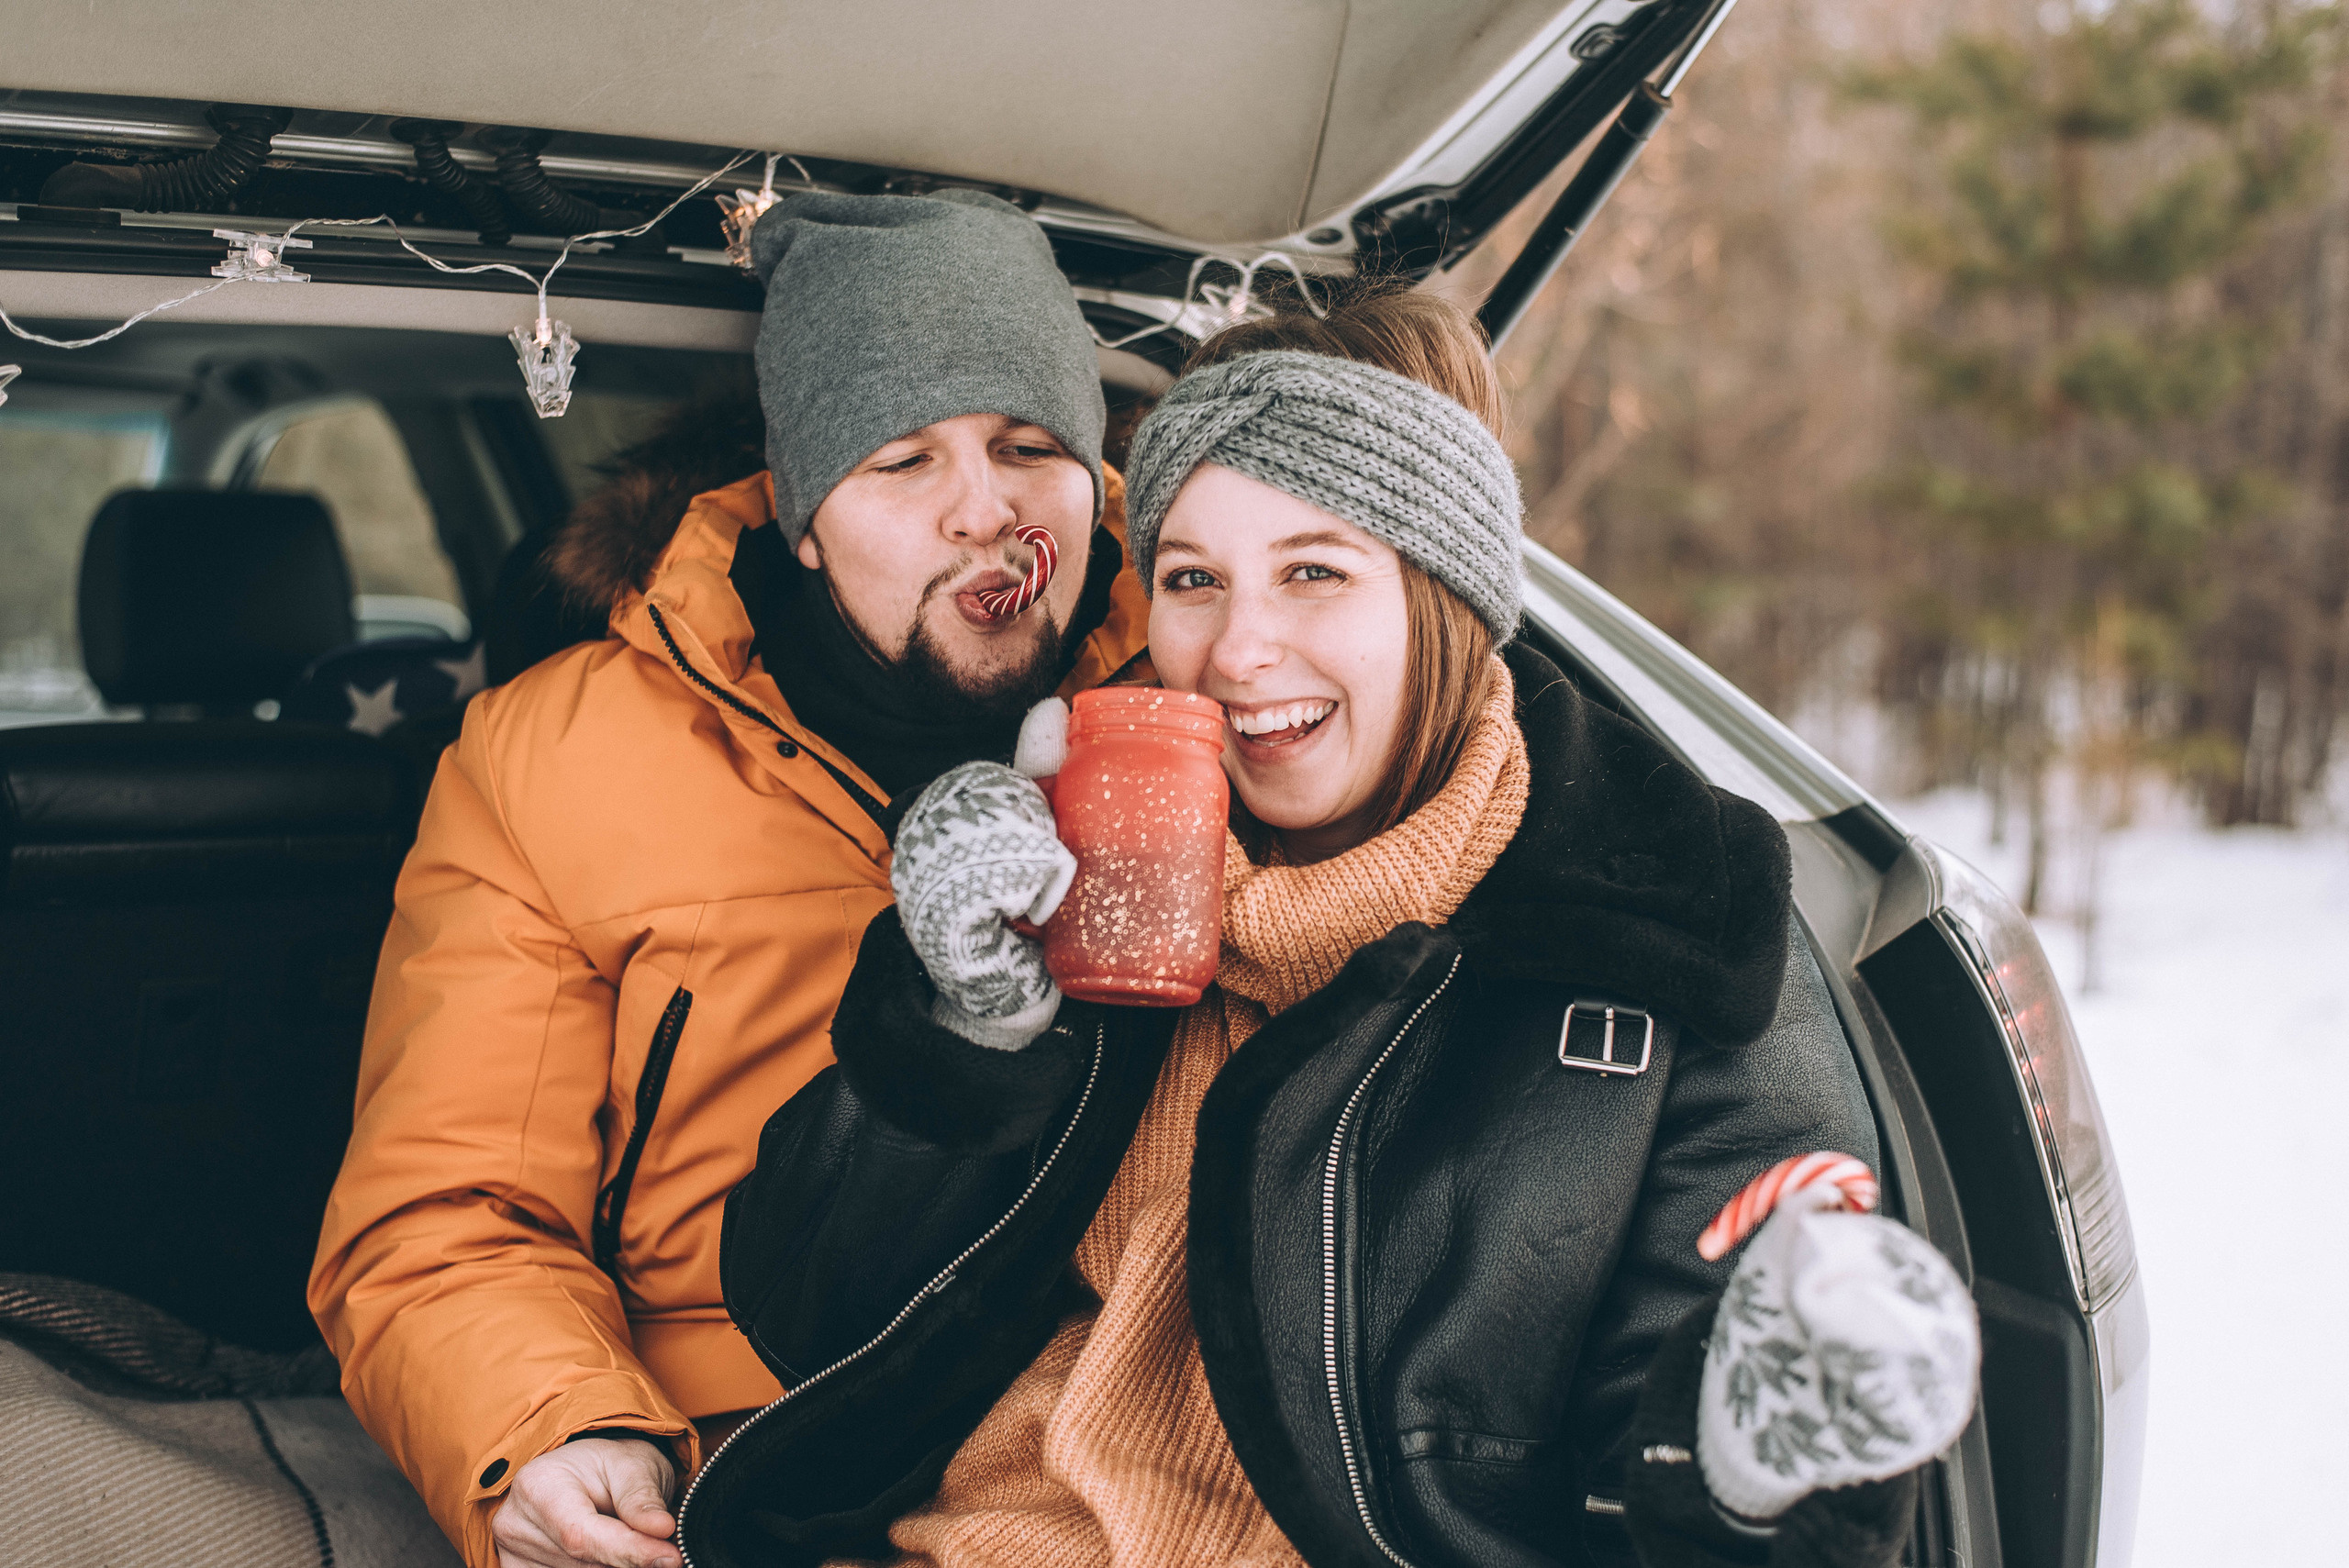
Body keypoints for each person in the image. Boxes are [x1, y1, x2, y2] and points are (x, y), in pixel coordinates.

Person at [693, 285, 1967, 1568]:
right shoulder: (1075, 858)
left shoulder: (1671, 939)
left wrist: (1742, 1478)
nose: (1240, 648)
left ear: (1445, 595)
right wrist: (958, 1029)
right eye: (1192, 578)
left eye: (1314, 571)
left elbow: (1698, 1488)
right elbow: (806, 1315)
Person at [308, 187, 1152, 1568]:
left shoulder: (1211, 686)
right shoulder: (558, 755)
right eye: (903, 462)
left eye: (1027, 444)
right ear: (804, 517)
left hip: (1112, 1441)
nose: (984, 511)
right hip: (733, 1444)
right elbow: (448, 1208)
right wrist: (557, 1425)